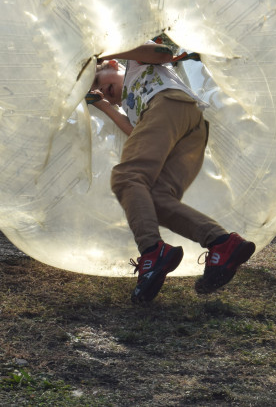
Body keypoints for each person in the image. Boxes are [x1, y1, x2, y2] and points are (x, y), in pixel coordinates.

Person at [87, 40, 256, 303]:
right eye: (97, 91)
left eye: (98, 79)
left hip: (167, 104)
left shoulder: (134, 62)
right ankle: (222, 243)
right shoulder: (133, 107)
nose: (101, 90)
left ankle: (152, 252)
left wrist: (107, 50)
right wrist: (104, 106)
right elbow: (136, 133)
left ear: (111, 64)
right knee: (154, 199)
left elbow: (163, 53)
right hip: (190, 126)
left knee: (127, 177)